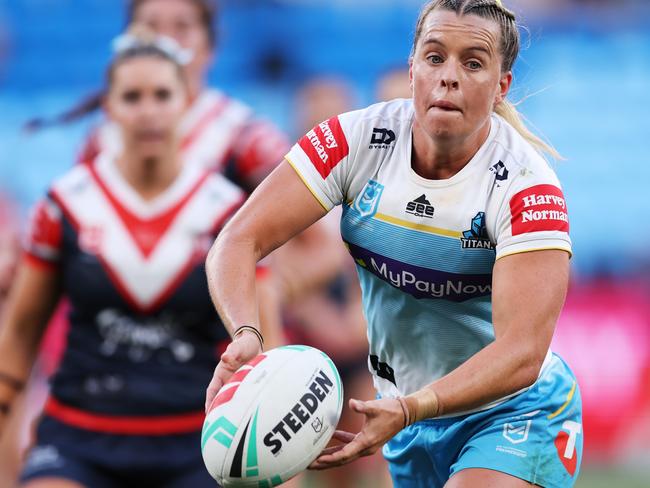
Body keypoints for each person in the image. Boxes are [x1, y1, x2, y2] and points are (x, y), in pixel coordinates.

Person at [204, 1, 583, 487]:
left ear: (501, 85)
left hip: (512, 413)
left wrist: (410, 406)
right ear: (412, 70)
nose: (448, 77)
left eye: (473, 62)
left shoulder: (527, 187)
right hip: (410, 417)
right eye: (434, 57)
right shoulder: (355, 141)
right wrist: (246, 336)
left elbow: (523, 353)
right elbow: (238, 239)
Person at [0, 28, 275, 487]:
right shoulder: (63, 205)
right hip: (77, 436)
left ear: (186, 101)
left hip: (201, 439)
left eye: (162, 95)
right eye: (132, 96)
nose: (148, 111)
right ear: (109, 107)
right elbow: (19, 336)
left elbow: (269, 344)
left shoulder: (231, 215)